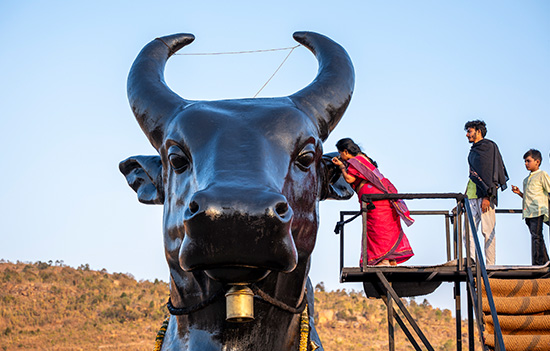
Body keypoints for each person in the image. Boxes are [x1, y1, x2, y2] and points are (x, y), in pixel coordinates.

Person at [331, 138, 414, 266]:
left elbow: (350, 179)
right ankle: (391, 260)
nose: (341, 156)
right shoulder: (364, 158)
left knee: (377, 229)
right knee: (388, 226)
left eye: (341, 153)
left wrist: (342, 167)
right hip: (381, 197)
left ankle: (383, 260)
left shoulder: (355, 161)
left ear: (346, 151)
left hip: (374, 200)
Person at [464, 120, 508, 265]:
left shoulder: (488, 147)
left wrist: (488, 196)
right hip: (471, 196)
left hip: (485, 196)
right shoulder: (474, 150)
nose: (467, 135)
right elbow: (472, 175)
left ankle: (490, 266)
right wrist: (463, 197)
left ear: (478, 131)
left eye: (469, 131)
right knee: (467, 233)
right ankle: (472, 263)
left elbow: (491, 173)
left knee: (488, 232)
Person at [511, 149, 550, 265]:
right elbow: (528, 197)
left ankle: (537, 263)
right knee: (536, 237)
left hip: (538, 211)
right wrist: (519, 193)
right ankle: (545, 261)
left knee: (536, 237)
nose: (526, 164)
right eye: (525, 161)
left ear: (537, 162)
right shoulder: (526, 180)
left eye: (528, 161)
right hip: (528, 212)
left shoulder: (542, 175)